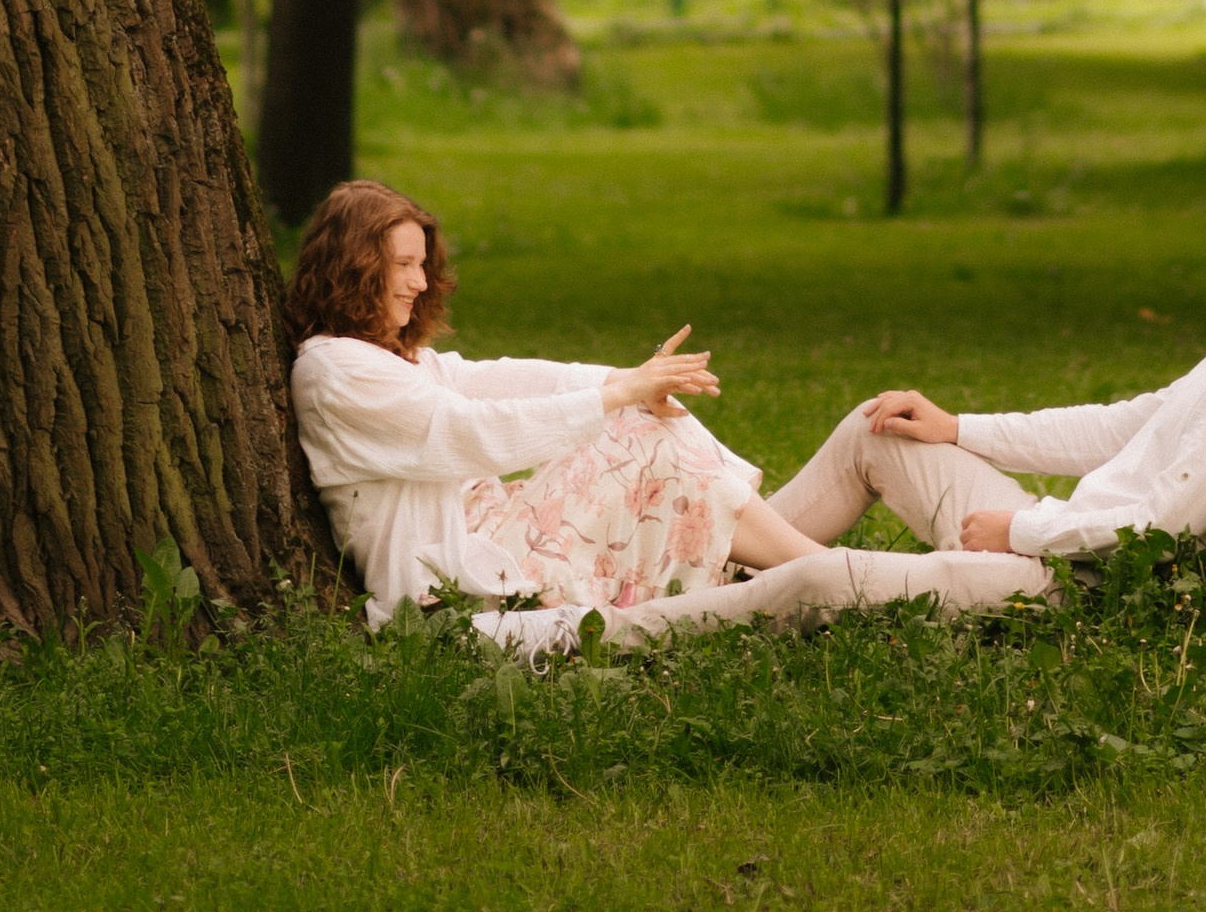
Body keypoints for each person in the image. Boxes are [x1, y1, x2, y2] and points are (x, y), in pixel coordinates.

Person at [286, 176, 827, 626]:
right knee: (642, 436)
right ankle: (831, 573)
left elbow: (496, 381)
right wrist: (619, 394)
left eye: (422, 265)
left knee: (642, 424)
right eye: (403, 265)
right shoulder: (335, 371)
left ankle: (815, 569)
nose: (420, 282)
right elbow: (469, 429)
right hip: (457, 589)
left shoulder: (392, 357)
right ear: (354, 266)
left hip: (491, 543)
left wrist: (629, 378)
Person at [770, 159, 1206, 565]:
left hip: (1059, 575)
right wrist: (956, 428)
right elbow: (1114, 428)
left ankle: (696, 585)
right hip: (1046, 539)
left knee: (820, 574)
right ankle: (712, 554)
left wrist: (1021, 531)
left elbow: (1166, 525)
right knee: (876, 429)